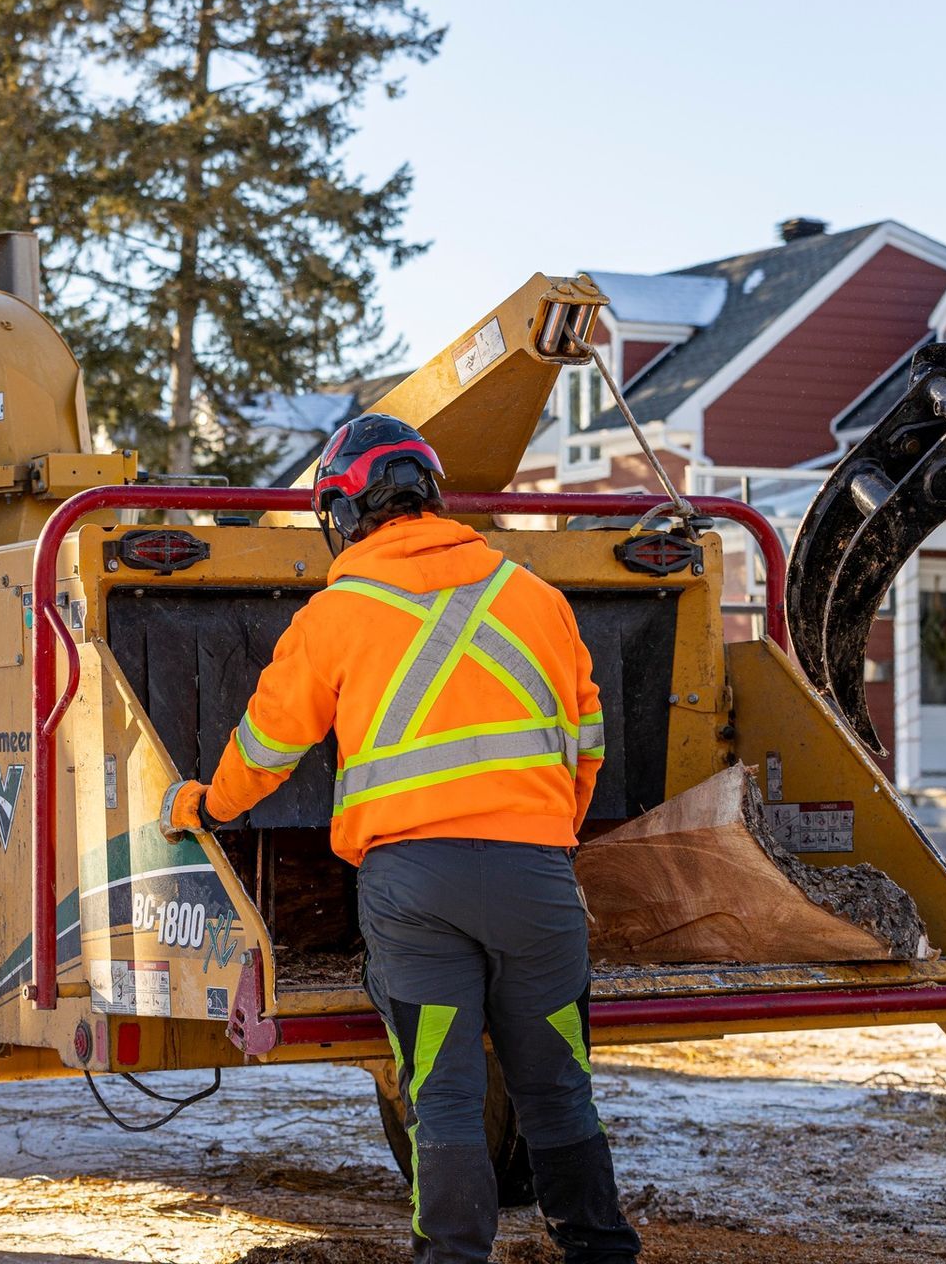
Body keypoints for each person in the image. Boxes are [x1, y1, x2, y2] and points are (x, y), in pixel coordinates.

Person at [160, 413, 640, 1264]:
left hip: (412, 889)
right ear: (432, 496)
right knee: (559, 1084)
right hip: (537, 881)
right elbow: (589, 742)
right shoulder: (537, 598)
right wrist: (543, 832)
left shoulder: (336, 614)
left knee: (444, 1089)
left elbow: (268, 748)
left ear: (343, 514)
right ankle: (600, 1249)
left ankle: (450, 1258)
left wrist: (208, 805)